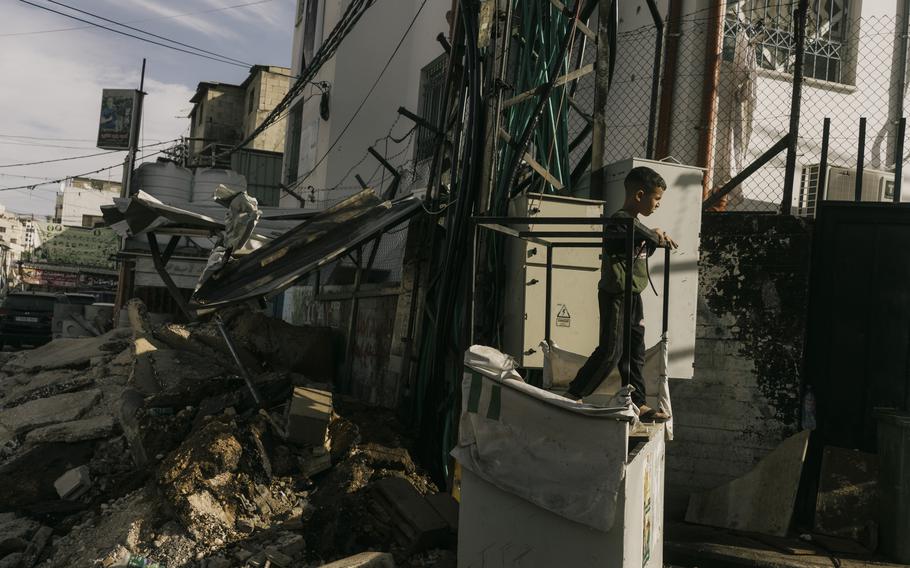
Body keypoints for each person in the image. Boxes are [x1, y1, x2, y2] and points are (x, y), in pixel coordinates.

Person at [564, 166, 676, 422]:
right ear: (639, 195)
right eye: (656, 198)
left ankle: (639, 403)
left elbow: (646, 245)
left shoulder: (636, 225)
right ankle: (574, 393)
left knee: (635, 351)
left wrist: (654, 235)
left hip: (633, 295)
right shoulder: (620, 221)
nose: (658, 204)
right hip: (615, 294)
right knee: (611, 350)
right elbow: (637, 233)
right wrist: (655, 234)